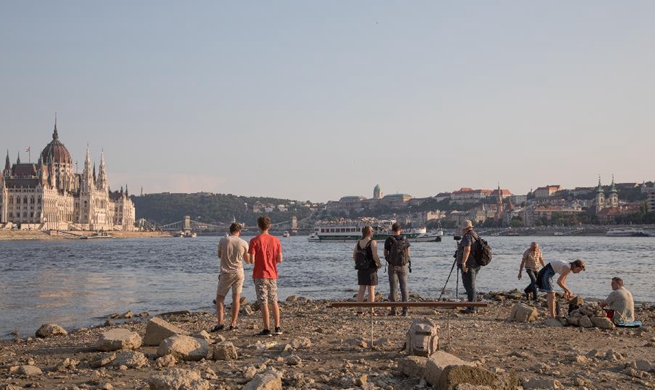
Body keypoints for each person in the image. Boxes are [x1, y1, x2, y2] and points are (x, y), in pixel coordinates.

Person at [211, 222, 250, 332]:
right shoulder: (243, 243)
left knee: (220, 298)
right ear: (240, 231)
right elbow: (247, 261)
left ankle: (220, 323)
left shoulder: (223, 240)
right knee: (236, 298)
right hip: (239, 272)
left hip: (226, 272)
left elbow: (219, 255)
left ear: (230, 230)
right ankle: (233, 323)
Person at [248, 215, 283, 336]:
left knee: (263, 301)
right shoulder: (276, 240)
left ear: (258, 226)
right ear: (270, 226)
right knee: (274, 300)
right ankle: (277, 327)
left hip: (260, 274)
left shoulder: (254, 241)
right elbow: (280, 259)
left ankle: (267, 328)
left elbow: (251, 260)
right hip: (272, 274)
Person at [353, 226, 382, 315]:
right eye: (372, 231)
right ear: (369, 232)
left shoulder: (358, 243)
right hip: (371, 268)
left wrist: (360, 263)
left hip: (361, 269)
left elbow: (354, 256)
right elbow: (375, 256)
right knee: (371, 290)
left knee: (361, 289)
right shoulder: (372, 242)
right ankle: (371, 310)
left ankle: (359, 310)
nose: (373, 232)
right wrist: (379, 264)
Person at [384, 222, 411, 316]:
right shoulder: (405, 239)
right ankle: (405, 310)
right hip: (403, 266)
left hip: (392, 266)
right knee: (404, 288)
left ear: (392, 230)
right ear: (400, 230)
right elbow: (408, 252)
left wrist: (389, 260)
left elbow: (385, 253)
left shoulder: (389, 240)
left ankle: (393, 310)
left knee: (393, 289)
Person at [456, 220, 481, 314]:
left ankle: (472, 308)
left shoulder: (467, 236)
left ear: (465, 228)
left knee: (469, 286)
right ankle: (472, 306)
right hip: (476, 263)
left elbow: (467, 249)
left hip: (469, 264)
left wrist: (463, 263)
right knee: (471, 285)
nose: (461, 231)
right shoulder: (475, 235)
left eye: (462, 229)